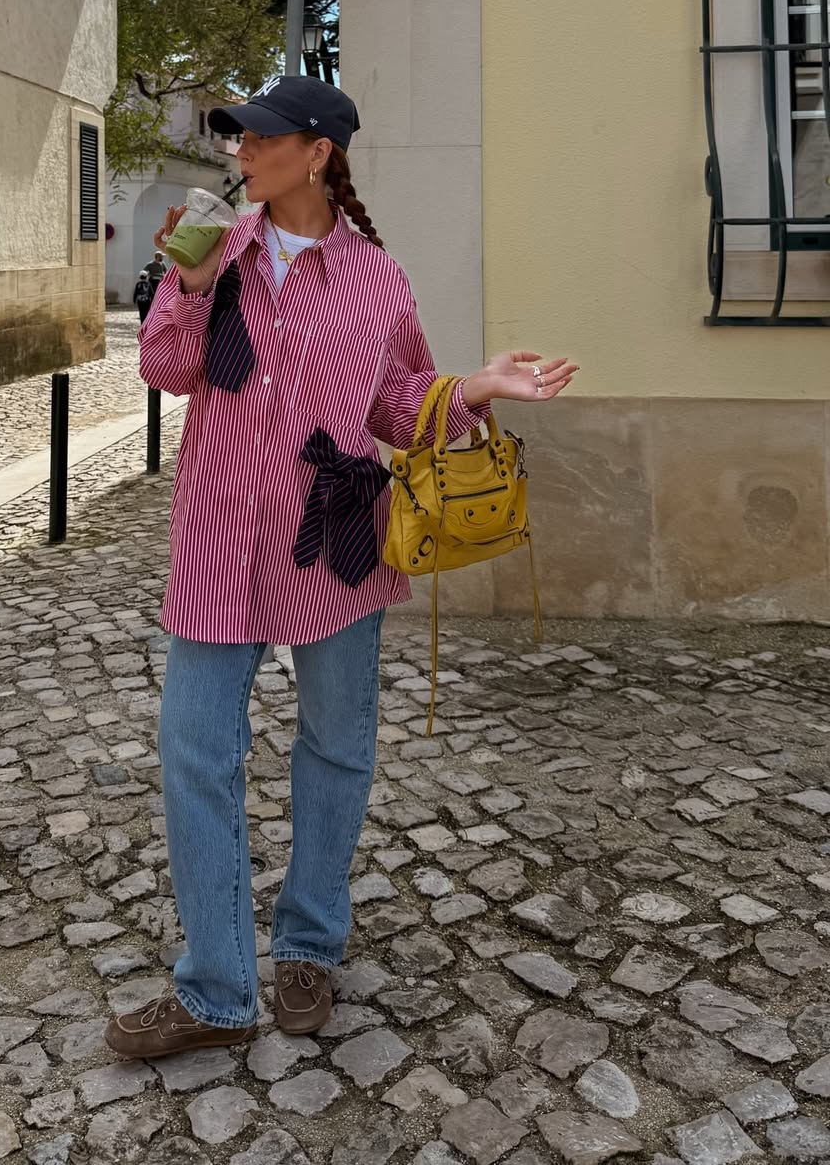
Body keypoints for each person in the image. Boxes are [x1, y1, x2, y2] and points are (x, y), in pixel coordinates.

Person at [106, 76, 576, 1061]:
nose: (241, 153)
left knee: (336, 745)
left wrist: (479, 386)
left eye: (261, 139)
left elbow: (398, 405)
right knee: (195, 752)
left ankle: (309, 943)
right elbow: (163, 369)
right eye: (238, 139)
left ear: (317, 151)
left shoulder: (377, 278)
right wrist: (187, 286)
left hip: (337, 539)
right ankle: (219, 985)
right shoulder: (220, 249)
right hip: (220, 537)